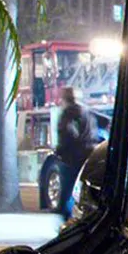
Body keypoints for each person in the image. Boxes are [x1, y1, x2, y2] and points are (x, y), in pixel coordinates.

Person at [54, 87, 97, 219]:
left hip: (71, 157)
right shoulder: (88, 113)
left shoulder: (67, 114)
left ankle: (66, 218)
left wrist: (60, 150)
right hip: (87, 155)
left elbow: (68, 133)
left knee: (67, 190)